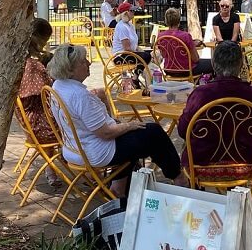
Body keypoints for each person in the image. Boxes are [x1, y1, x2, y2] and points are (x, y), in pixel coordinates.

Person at [48, 43, 181, 194]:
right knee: (153, 132)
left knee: (136, 138)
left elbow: (103, 123)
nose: (89, 63)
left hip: (73, 148)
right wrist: (128, 126)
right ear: (70, 69)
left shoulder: (58, 85)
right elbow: (106, 133)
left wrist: (104, 102)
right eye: (83, 62)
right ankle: (178, 177)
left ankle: (118, 187)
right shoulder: (79, 96)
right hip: (95, 152)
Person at [176, 41, 252, 178]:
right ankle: (237, 195)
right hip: (244, 162)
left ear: (213, 64)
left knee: (188, 143)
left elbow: (183, 130)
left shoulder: (201, 94)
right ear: (241, 65)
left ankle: (196, 193)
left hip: (203, 162)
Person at [16, 18, 64, 188]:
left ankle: (55, 165)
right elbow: (46, 92)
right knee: (80, 123)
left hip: (29, 122)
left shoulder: (20, 61)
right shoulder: (33, 67)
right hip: (40, 125)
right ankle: (86, 166)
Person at [157, 7, 213, 77]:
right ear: (178, 20)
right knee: (214, 63)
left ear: (166, 20)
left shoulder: (161, 36)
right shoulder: (186, 36)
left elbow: (164, 55)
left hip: (168, 70)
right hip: (186, 70)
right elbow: (195, 59)